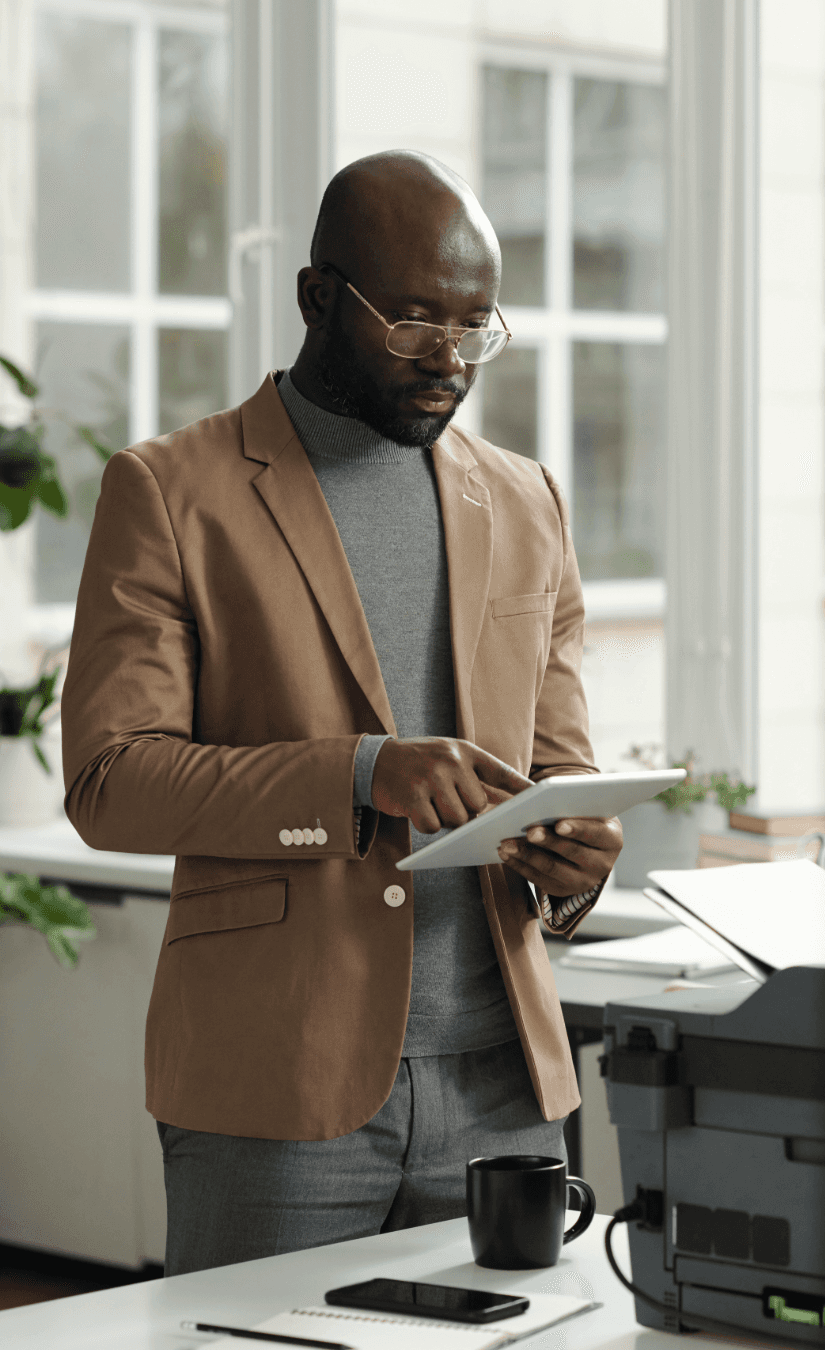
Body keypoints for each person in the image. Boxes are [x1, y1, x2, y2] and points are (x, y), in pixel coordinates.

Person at [61, 150, 622, 1275]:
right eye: (414, 321)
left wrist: (576, 866)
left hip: (504, 1094)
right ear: (319, 297)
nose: (451, 360)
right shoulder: (171, 492)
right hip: (278, 1090)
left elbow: (558, 773)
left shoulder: (528, 498)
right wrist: (360, 775)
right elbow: (110, 782)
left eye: (477, 326)